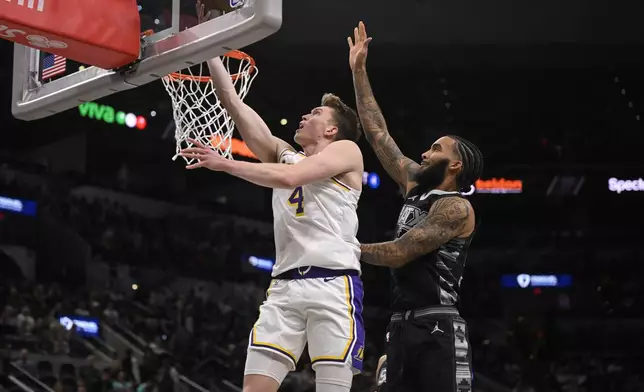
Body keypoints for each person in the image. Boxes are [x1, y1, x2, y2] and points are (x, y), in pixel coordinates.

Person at [178, 4, 366, 392]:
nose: (305, 115)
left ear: (332, 130)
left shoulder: (348, 153)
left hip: (333, 285)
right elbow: (232, 101)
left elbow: (292, 177)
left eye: (315, 113)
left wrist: (227, 165)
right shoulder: (286, 153)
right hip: (283, 288)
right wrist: (209, 40)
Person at [348, 21, 483, 392]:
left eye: (436, 149)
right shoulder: (414, 184)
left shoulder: (455, 209)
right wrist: (359, 71)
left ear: (455, 166)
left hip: (436, 323)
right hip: (400, 322)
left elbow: (401, 253)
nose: (424, 153)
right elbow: (378, 134)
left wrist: (345, 247)